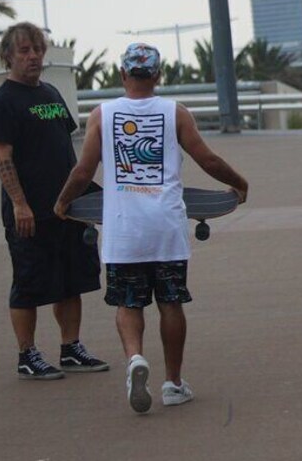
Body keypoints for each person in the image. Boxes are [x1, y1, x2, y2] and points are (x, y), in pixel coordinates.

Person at [54, 43, 248, 413]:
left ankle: (134, 360)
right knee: (170, 302)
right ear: (158, 76)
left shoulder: (102, 114)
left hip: (124, 230)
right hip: (166, 227)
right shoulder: (175, 113)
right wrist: (240, 184)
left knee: (129, 303)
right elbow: (207, 159)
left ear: (122, 75)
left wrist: (63, 202)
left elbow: (83, 172)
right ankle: (173, 384)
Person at [0, 22, 108, 380]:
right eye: (24, 50)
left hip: (66, 207)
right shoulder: (1, 102)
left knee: (71, 281)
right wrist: (20, 204)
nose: (33, 56)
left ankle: (71, 348)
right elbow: (2, 158)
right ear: (8, 56)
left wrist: (81, 196)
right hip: (31, 212)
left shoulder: (51, 94)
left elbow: (64, 151)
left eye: (37, 49)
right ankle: (27, 355)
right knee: (29, 283)